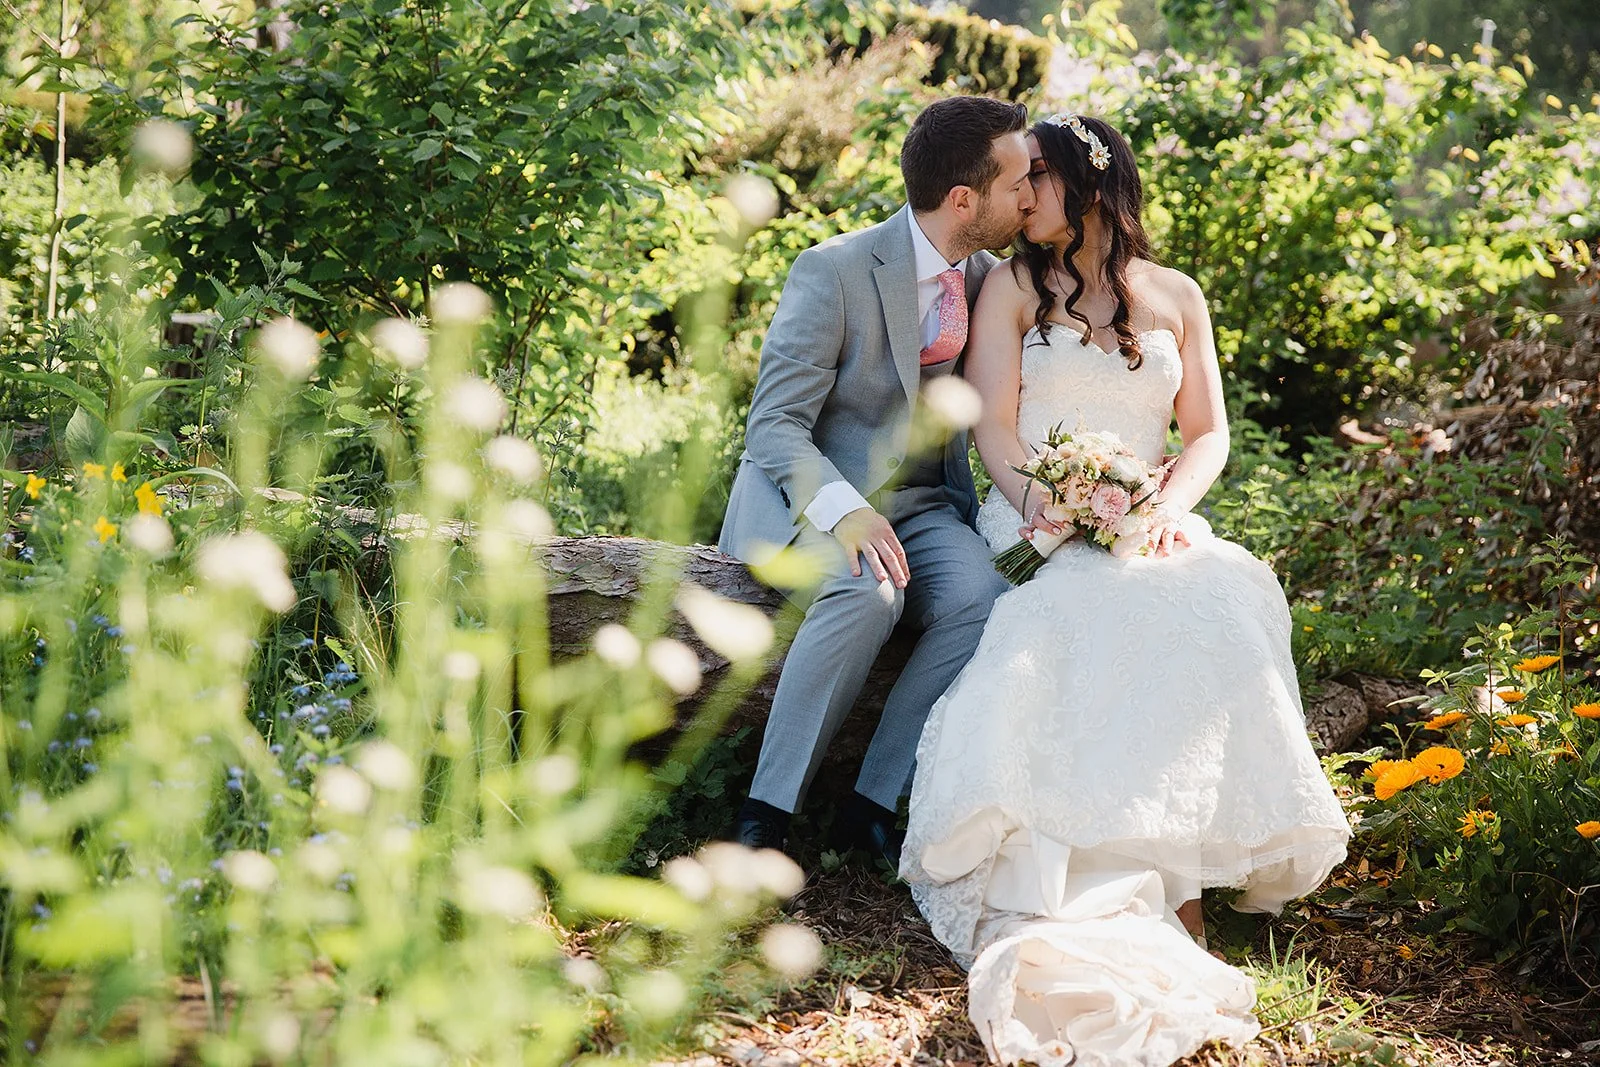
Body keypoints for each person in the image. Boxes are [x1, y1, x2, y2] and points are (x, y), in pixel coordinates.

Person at [898, 113, 1352, 1067]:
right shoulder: (1012, 289)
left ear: (1090, 188)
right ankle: (1102, 878)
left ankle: (1177, 871)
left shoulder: (1176, 295)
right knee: (1073, 610)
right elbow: (996, 433)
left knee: (1217, 595)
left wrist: (1164, 510)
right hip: (1037, 519)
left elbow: (1209, 434)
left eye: (1041, 182)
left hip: (1148, 517)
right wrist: (1055, 513)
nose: (1025, 198)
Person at [717, 96, 1037, 865]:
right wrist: (843, 510)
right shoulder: (834, 270)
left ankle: (870, 800)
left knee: (981, 599)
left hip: (925, 507)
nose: (1030, 196)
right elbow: (773, 424)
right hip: (816, 499)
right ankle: (766, 811)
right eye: (1018, 183)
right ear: (965, 198)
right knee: (868, 591)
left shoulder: (996, 280)